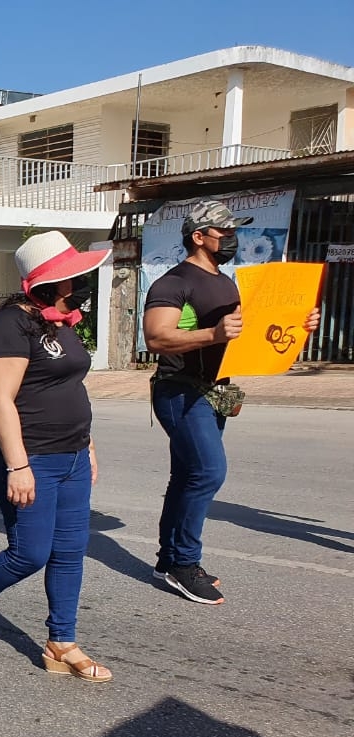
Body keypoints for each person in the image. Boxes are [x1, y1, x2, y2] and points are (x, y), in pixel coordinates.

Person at [0, 231, 111, 682]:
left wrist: (88, 444)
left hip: (72, 455)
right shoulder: (10, 324)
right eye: (69, 275)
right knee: (30, 553)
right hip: (30, 457)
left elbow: (68, 386)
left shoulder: (61, 321)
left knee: (70, 552)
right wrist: (18, 465)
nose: (77, 282)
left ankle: (62, 643)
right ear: (45, 279)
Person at [143, 200, 321, 604]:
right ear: (199, 236)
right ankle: (184, 565)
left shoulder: (226, 281)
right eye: (225, 232)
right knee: (207, 473)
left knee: (187, 477)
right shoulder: (173, 283)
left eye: (234, 231)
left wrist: (300, 326)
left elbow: (253, 332)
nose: (232, 239)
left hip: (215, 390)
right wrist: (212, 334)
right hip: (180, 390)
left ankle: (168, 559)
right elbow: (156, 337)